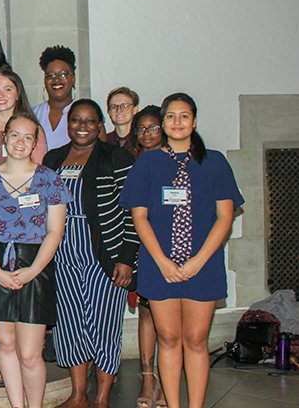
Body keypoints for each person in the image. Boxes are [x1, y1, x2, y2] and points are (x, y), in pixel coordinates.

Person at [121, 93, 242, 408]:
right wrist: (162, 262)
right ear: (163, 123)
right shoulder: (147, 162)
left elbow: (225, 217)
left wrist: (198, 261)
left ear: (195, 121)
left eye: (184, 116)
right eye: (171, 116)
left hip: (203, 266)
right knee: (169, 339)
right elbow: (139, 216)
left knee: (196, 341)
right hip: (159, 266)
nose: (177, 122)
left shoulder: (214, 161)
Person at [0, 114, 70, 408]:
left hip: (35, 266)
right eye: (15, 135)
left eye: (28, 137)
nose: (20, 142)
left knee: (29, 353)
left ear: (36, 143)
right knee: (7, 344)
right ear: (4, 138)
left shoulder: (50, 179)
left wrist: (33, 270)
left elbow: (55, 231)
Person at [42, 99, 138, 408]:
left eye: (90, 121)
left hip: (103, 254)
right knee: (70, 324)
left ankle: (102, 397)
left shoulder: (116, 155)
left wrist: (126, 258)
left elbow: (133, 212)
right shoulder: (53, 158)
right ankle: (78, 394)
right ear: (68, 124)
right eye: (76, 120)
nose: (82, 127)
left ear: (100, 126)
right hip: (62, 254)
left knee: (104, 325)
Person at [125, 104, 167, 408]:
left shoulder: (178, 159)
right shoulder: (131, 161)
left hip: (172, 245)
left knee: (169, 317)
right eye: (141, 129)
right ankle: (148, 378)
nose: (147, 133)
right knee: (146, 312)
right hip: (140, 246)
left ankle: (166, 382)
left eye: (153, 127)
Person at [0, 66, 48, 167]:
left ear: (18, 94)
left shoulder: (32, 128)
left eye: (7, 89)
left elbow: (39, 169)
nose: (0, 95)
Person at [33, 45, 77, 151]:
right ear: (45, 80)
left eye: (63, 75)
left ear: (73, 79)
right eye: (51, 75)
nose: (56, 80)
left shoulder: (85, 113)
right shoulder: (32, 114)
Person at [106, 86, 140, 151]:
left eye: (124, 106)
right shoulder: (104, 141)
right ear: (109, 112)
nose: (119, 111)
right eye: (114, 107)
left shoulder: (142, 141)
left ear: (135, 109)